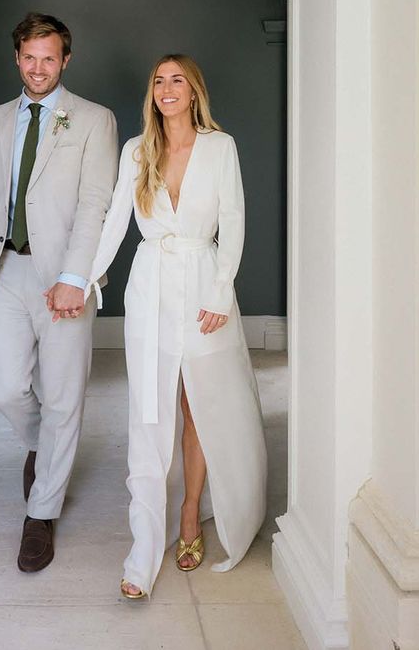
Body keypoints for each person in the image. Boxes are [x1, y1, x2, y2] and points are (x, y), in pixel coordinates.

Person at [82, 54, 267, 598]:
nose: (166, 88)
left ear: (193, 91)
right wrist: (85, 279)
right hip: (151, 287)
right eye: (158, 81)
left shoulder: (220, 147)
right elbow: (117, 217)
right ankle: (142, 548)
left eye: (176, 80)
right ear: (153, 94)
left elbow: (233, 221)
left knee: (199, 403)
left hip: (205, 283)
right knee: (150, 407)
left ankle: (190, 515)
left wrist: (221, 292)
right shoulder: (137, 151)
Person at [0, 13, 118, 572]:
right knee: (0, 382)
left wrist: (75, 279)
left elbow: (97, 201)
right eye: (29, 57)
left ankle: (41, 512)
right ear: (17, 58)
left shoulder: (95, 120)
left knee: (65, 395)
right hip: (4, 269)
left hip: (62, 275)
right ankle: (43, 447)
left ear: (65, 60)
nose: (38, 67)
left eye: (49, 58)